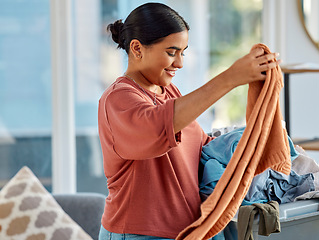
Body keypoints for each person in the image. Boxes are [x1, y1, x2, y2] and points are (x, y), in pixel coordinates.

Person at [98, 2, 280, 240]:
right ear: (137, 48)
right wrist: (231, 78)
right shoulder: (119, 98)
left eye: (183, 52)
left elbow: (200, 148)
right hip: (137, 233)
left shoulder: (169, 92)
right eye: (171, 52)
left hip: (183, 231)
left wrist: (251, 141)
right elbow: (158, 127)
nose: (179, 63)